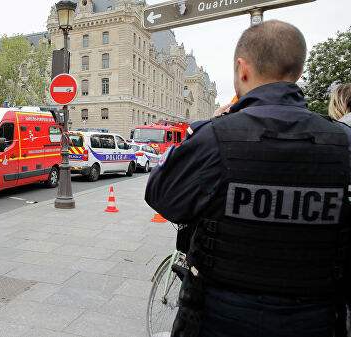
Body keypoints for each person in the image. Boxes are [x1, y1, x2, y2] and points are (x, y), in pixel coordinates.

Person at [145, 20, 350, 337]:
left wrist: (204, 130)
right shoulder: (342, 143)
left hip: (220, 320)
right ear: (297, 71)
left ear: (242, 69)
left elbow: (161, 196)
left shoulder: (215, 138)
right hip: (314, 321)